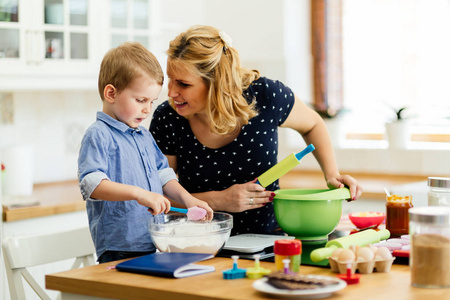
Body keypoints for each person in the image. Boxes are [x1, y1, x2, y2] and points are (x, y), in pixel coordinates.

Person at [150, 25, 363, 236]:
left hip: (269, 239)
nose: (171, 92)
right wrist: (220, 200)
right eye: (170, 80)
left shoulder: (266, 95)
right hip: (200, 242)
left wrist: (332, 174)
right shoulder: (168, 118)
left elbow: (313, 125)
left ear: (217, 82)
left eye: (183, 84)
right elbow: (158, 197)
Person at [78, 42, 213, 263]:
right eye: (141, 100)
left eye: (152, 101)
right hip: (118, 246)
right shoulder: (99, 134)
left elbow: (163, 174)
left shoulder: (143, 135)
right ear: (111, 93)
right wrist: (138, 193)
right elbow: (91, 183)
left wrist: (188, 199)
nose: (147, 109)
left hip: (151, 240)